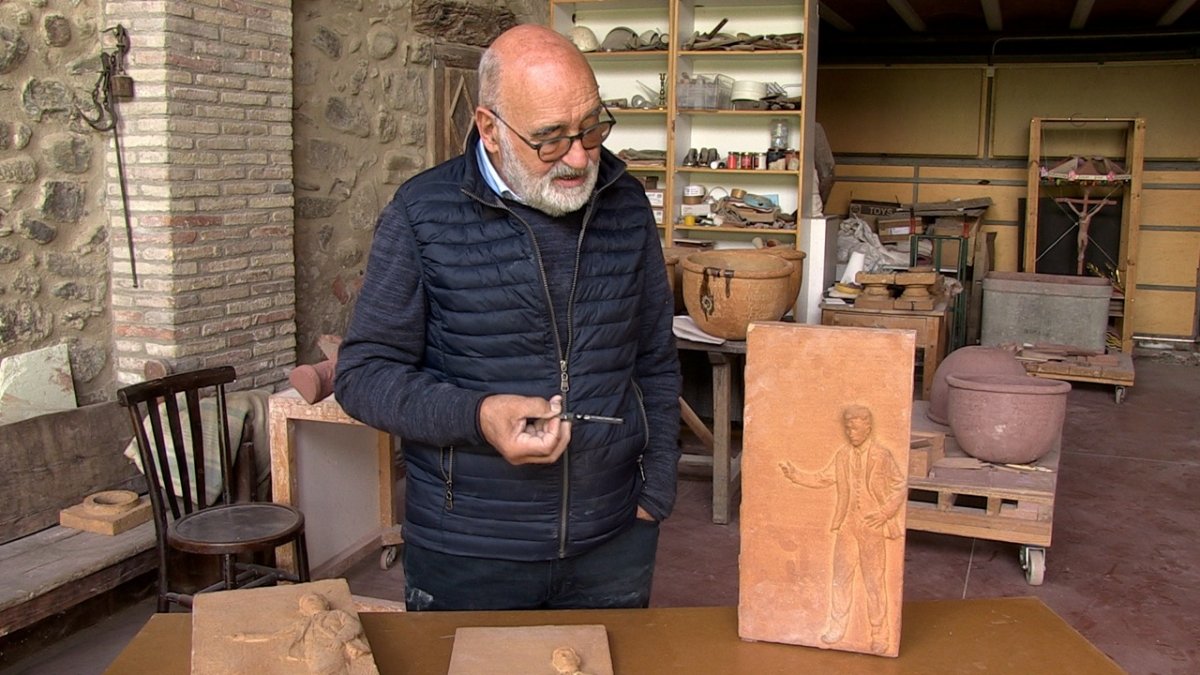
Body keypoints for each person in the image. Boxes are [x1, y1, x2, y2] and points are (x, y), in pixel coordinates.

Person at [334, 24, 680, 612]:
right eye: (549, 138)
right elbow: (362, 375)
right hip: (469, 550)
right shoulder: (423, 215)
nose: (579, 157)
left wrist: (656, 491)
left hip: (615, 539)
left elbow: (655, 356)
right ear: (489, 128)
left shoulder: (624, 202)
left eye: (592, 128)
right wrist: (478, 415)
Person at [779, 405, 905, 654]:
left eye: (856, 427)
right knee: (841, 580)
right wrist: (795, 475)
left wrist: (884, 513)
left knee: (874, 582)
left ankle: (879, 633)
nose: (851, 432)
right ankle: (837, 627)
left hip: (872, 527)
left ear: (868, 427)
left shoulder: (882, 455)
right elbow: (823, 478)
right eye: (847, 427)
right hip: (847, 526)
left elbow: (899, 485)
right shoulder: (842, 455)